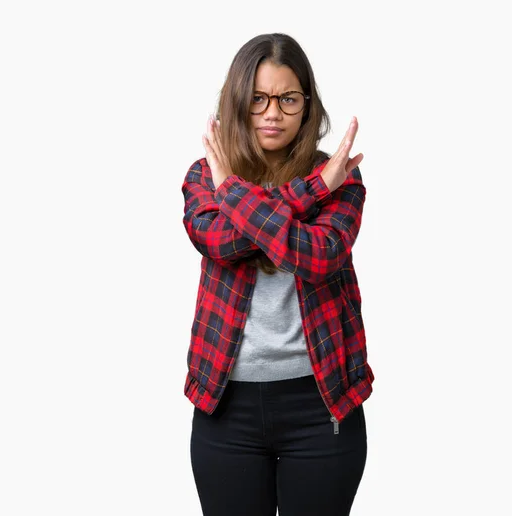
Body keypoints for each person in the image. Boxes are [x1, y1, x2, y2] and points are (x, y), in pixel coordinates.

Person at [181, 32, 374, 516]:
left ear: (307, 105)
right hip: (226, 406)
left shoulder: (343, 177)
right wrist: (311, 190)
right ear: (238, 101)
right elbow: (220, 243)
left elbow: (320, 255)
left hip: (321, 402)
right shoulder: (205, 176)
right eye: (259, 99)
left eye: (288, 99)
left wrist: (237, 196)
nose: (272, 113)